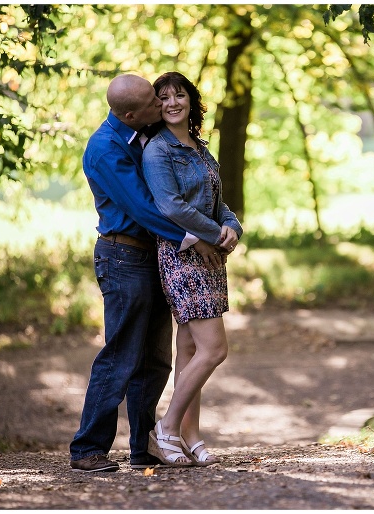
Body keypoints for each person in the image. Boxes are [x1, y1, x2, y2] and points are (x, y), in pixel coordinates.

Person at [69, 74, 224, 472]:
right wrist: (195, 238)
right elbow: (145, 207)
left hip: (154, 253)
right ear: (133, 113)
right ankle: (88, 449)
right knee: (121, 353)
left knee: (156, 359)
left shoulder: (142, 134)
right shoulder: (106, 149)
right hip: (123, 255)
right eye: (156, 102)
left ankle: (144, 447)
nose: (163, 105)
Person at [141, 71, 242, 467]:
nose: (171, 103)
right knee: (215, 349)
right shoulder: (158, 151)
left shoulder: (200, 148)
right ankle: (165, 429)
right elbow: (171, 206)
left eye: (179, 95)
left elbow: (221, 203)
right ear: (155, 105)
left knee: (189, 350)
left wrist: (232, 226)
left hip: (211, 254)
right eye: (163, 97)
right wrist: (214, 233)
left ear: (190, 100)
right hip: (183, 255)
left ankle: (191, 436)